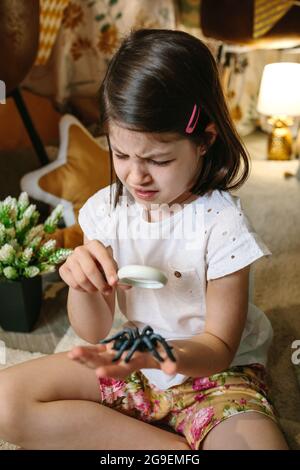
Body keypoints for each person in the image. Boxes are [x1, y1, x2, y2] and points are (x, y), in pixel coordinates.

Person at [0, 29, 288, 450]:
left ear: (204, 140)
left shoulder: (221, 223)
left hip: (214, 376)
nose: (136, 176)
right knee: (6, 401)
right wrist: (82, 285)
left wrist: (158, 354)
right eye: (121, 155)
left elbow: (219, 346)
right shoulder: (105, 210)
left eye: (158, 159)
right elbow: (93, 329)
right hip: (129, 359)